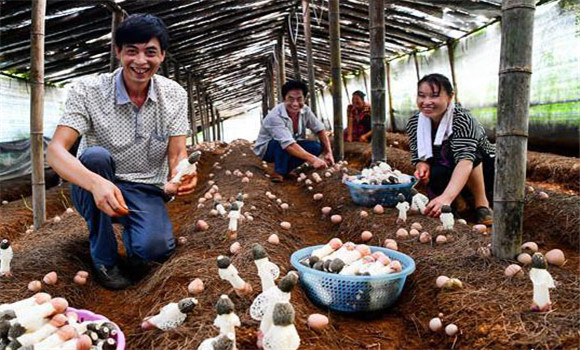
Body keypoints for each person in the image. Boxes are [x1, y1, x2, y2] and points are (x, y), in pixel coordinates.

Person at [46, 14, 197, 290]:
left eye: (150, 52)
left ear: (162, 55)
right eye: (132, 51)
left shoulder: (174, 94)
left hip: (145, 187)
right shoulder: (88, 90)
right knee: (95, 158)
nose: (140, 61)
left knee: (155, 250)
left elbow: (177, 153)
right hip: (97, 183)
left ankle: (135, 234)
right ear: (118, 53)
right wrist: (97, 183)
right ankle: (104, 258)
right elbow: (55, 151)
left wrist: (183, 171)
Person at [405, 73, 495, 225]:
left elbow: (466, 161)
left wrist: (446, 197)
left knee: (473, 154)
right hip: (448, 166)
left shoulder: (463, 119)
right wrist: (422, 164)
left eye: (434, 96)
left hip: (485, 169)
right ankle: (460, 200)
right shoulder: (415, 122)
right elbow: (418, 155)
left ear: (450, 96)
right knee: (435, 172)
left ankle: (482, 204)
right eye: (422, 96)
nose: (426, 102)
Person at [254, 80, 334, 182]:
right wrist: (313, 159)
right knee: (280, 143)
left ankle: (286, 170)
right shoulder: (275, 116)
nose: (295, 104)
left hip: (289, 144)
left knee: (315, 147)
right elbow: (288, 144)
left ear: (304, 99)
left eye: (299, 99)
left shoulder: (305, 111)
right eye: (290, 99)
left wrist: (328, 152)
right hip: (268, 149)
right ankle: (278, 172)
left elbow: (320, 130)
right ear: (284, 99)